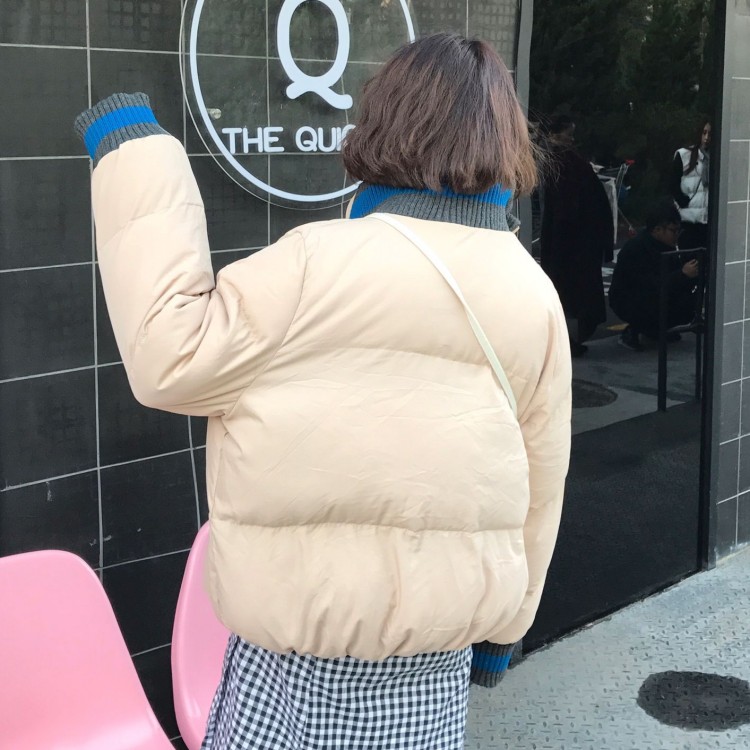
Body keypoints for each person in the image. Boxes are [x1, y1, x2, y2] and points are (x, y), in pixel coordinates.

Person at [74, 33, 571, 750]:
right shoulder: (533, 293)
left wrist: (133, 150)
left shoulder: (314, 263)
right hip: (435, 671)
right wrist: (505, 631)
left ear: (384, 123)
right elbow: (541, 484)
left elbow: (170, 357)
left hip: (293, 665)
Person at [540, 115, 615, 357]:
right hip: (576, 239)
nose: (571, 140)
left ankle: (565, 340)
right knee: (575, 292)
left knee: (565, 291)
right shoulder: (567, 163)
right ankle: (569, 339)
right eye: (568, 134)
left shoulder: (560, 162)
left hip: (567, 238)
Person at [609, 201, 699, 351]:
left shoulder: (667, 246)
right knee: (651, 303)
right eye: (673, 231)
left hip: (654, 294)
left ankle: (655, 329)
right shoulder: (637, 249)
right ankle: (637, 329)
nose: (677, 235)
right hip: (630, 300)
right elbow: (647, 285)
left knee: (688, 302)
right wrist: (682, 275)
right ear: (657, 230)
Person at [671, 120, 711, 252]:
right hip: (688, 220)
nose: (706, 138)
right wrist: (682, 201)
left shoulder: (718, 156)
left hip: (708, 221)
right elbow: (673, 184)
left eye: (710, 134)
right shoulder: (684, 155)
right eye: (704, 133)